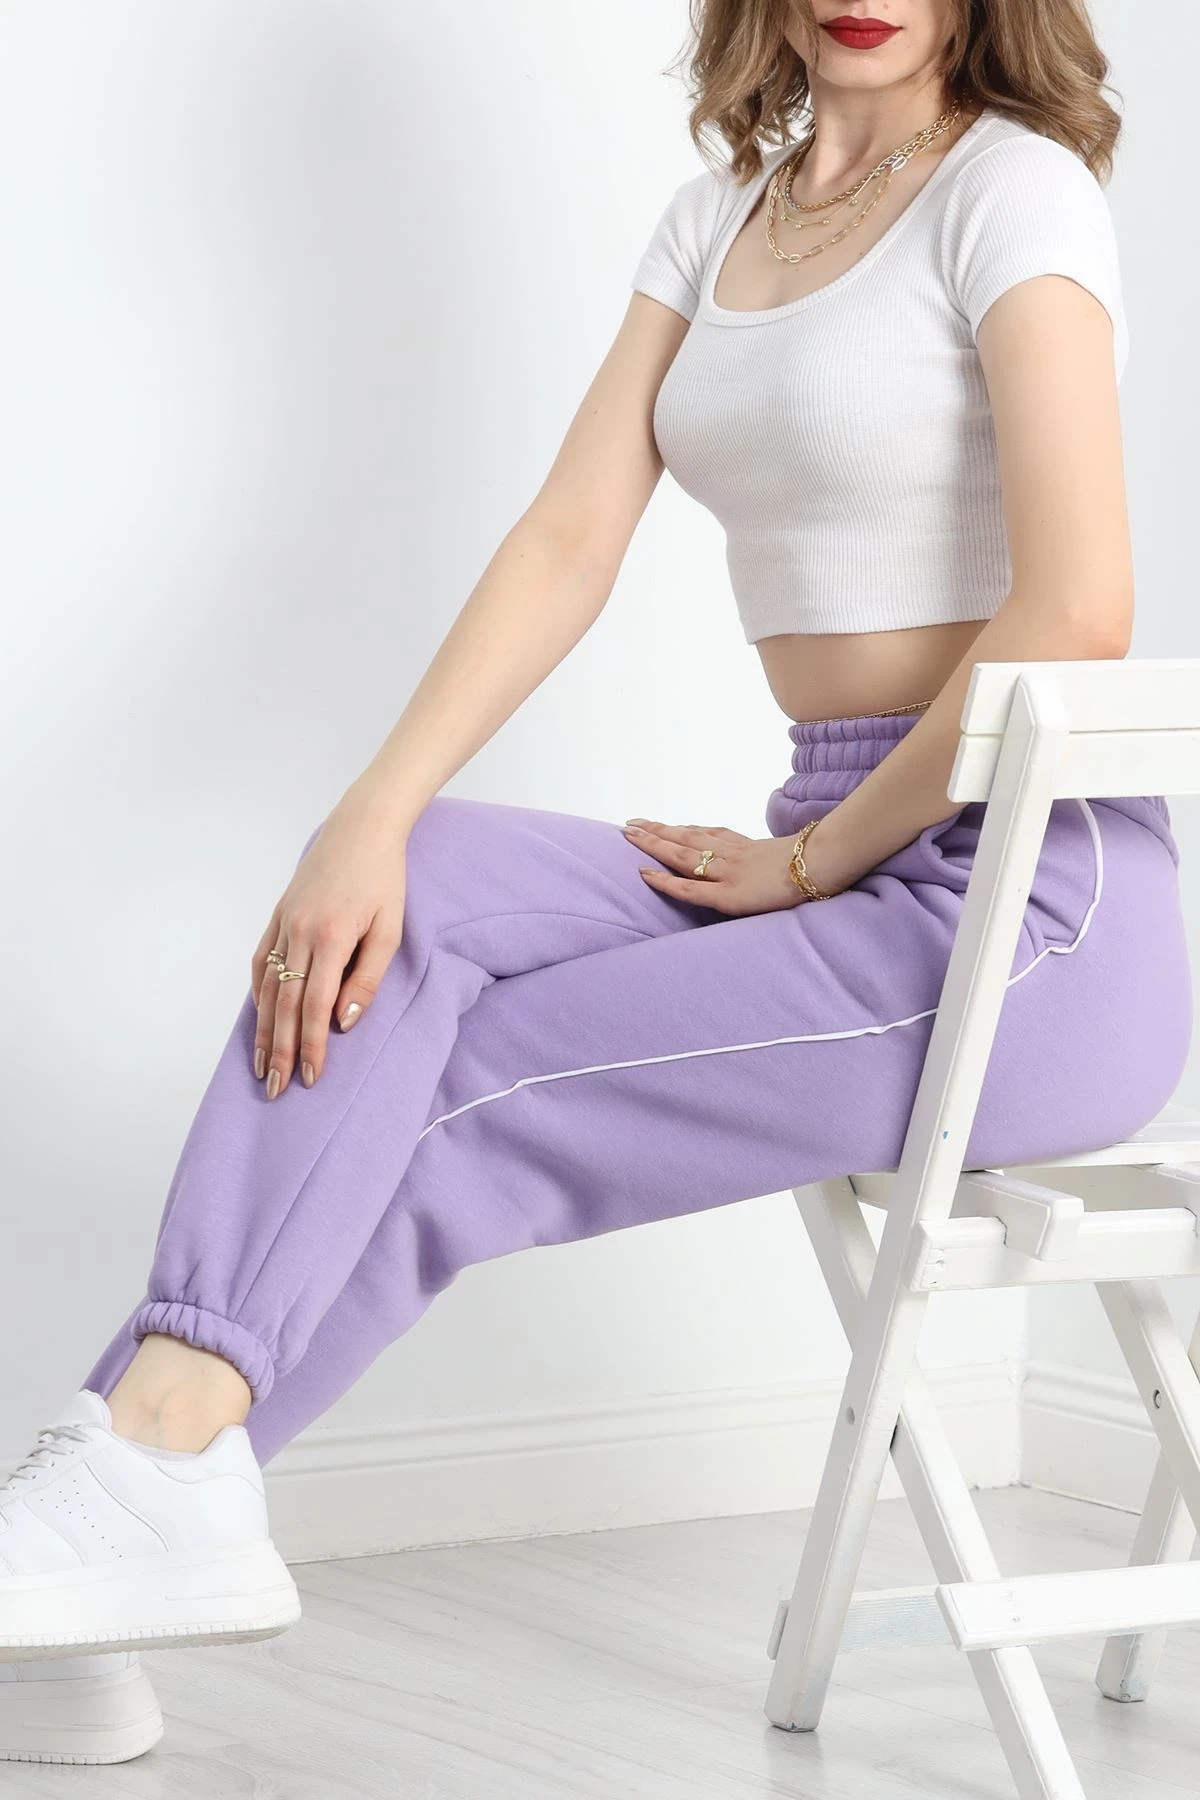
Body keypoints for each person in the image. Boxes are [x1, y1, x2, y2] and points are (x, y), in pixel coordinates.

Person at [2, 0, 1191, 1768]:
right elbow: (572, 537)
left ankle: (129, 1490)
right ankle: (124, 1527)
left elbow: (1077, 613)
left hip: (1034, 903)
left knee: (474, 1072)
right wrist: (368, 813)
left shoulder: (1012, 191)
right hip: (832, 842)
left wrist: (812, 861)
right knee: (403, 901)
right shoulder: (721, 219)